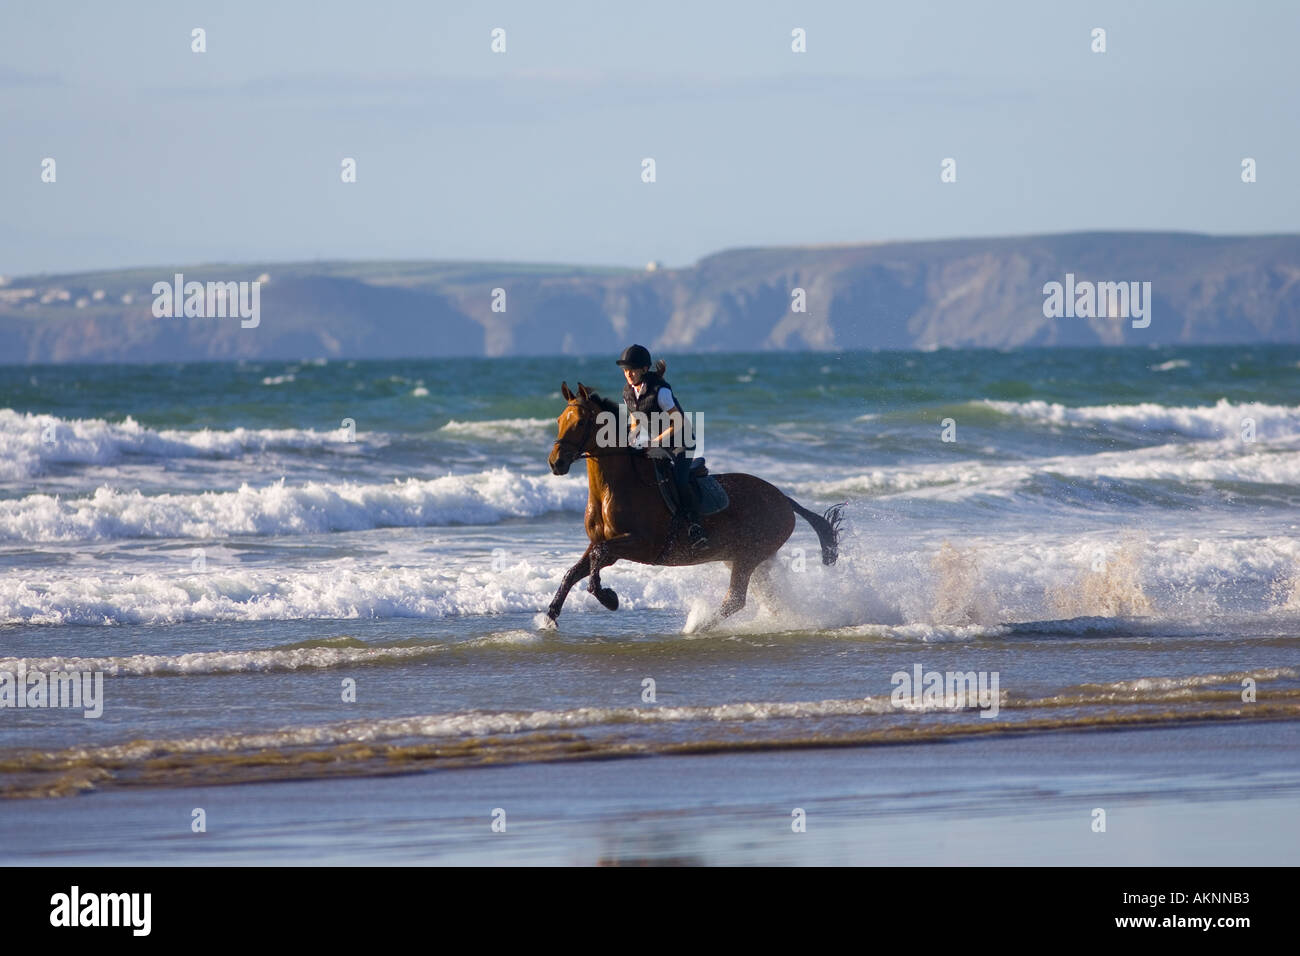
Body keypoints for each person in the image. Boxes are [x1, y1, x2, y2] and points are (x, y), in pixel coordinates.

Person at [616, 344, 708, 549]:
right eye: (625, 370)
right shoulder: (628, 392)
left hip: (681, 442)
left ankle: (695, 527)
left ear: (644, 369)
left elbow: (679, 422)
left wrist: (655, 441)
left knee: (679, 479)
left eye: (632, 369)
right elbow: (635, 419)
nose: (628, 374)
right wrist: (630, 438)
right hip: (660, 442)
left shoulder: (661, 391)